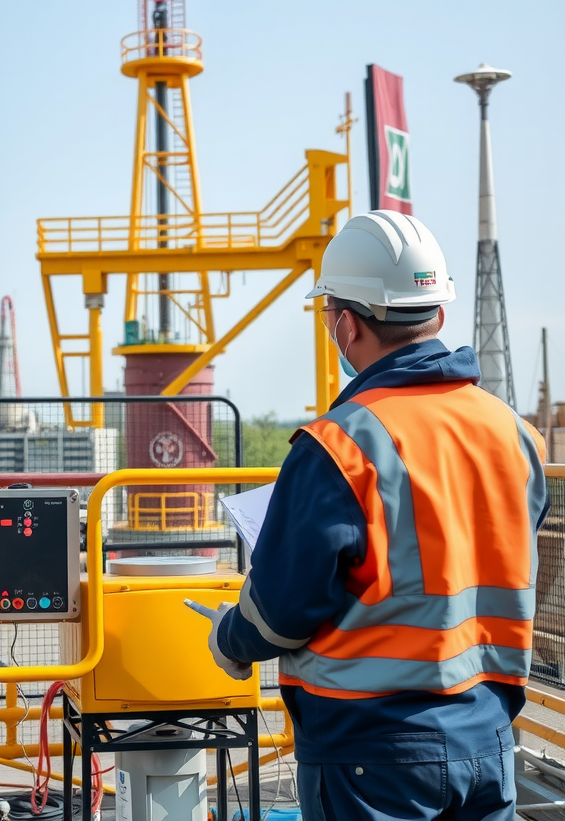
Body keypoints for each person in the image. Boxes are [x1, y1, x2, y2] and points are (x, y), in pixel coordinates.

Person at [201, 210, 546, 821]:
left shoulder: (340, 445)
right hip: (488, 739)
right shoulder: (515, 435)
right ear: (438, 314)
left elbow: (284, 607)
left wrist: (231, 637)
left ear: (346, 324)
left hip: (371, 753)